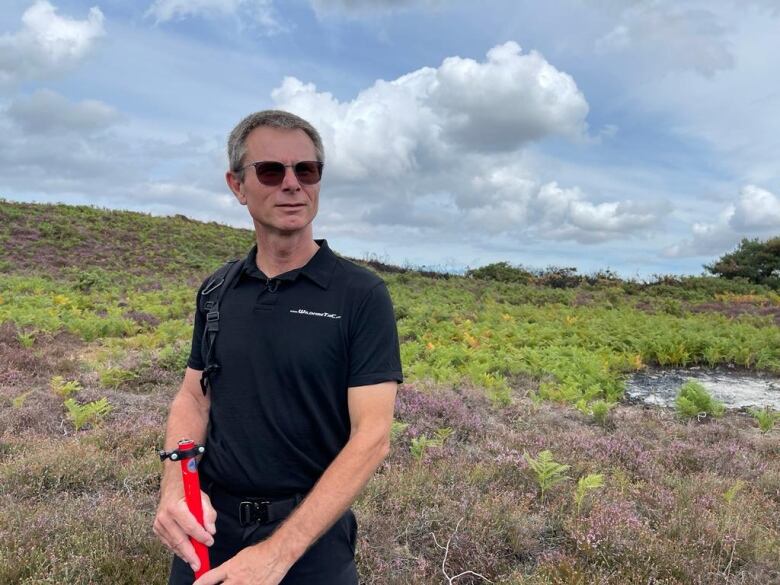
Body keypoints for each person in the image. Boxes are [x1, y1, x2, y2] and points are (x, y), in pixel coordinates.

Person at [153, 110, 403, 585]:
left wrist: (277, 555)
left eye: (305, 170)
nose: (292, 184)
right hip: (208, 533)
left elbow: (372, 436)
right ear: (237, 186)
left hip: (310, 541)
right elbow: (193, 396)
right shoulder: (216, 290)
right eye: (271, 171)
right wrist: (174, 486)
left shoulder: (360, 295)